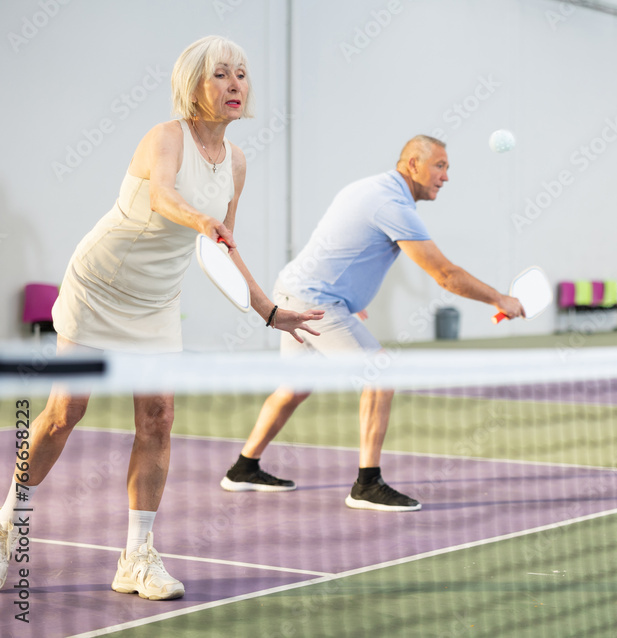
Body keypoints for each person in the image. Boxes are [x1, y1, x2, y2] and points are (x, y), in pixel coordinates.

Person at [0, 36, 322, 600]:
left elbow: (225, 245)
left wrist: (269, 311)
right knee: (64, 411)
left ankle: (138, 556)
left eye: (242, 75)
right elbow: (164, 198)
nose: (235, 85)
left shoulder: (237, 162)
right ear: (194, 84)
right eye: (221, 74)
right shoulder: (165, 138)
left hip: (155, 302)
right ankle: (7, 524)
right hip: (99, 285)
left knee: (158, 417)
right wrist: (201, 222)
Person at [219, 135, 525, 511]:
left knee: (294, 387)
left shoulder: (369, 188)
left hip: (294, 290)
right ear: (413, 164)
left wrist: (347, 301)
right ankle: (367, 484)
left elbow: (339, 246)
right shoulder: (392, 204)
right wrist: (500, 299)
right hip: (317, 301)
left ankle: (243, 468)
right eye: (440, 166)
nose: (445, 176)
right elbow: (445, 275)